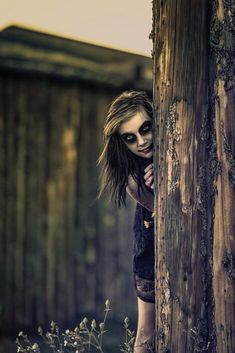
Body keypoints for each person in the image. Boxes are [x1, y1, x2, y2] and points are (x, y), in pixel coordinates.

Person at [98, 91, 155, 353]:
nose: (142, 142)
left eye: (146, 129)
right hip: (151, 248)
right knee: (146, 332)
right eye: (130, 138)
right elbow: (171, 219)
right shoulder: (134, 179)